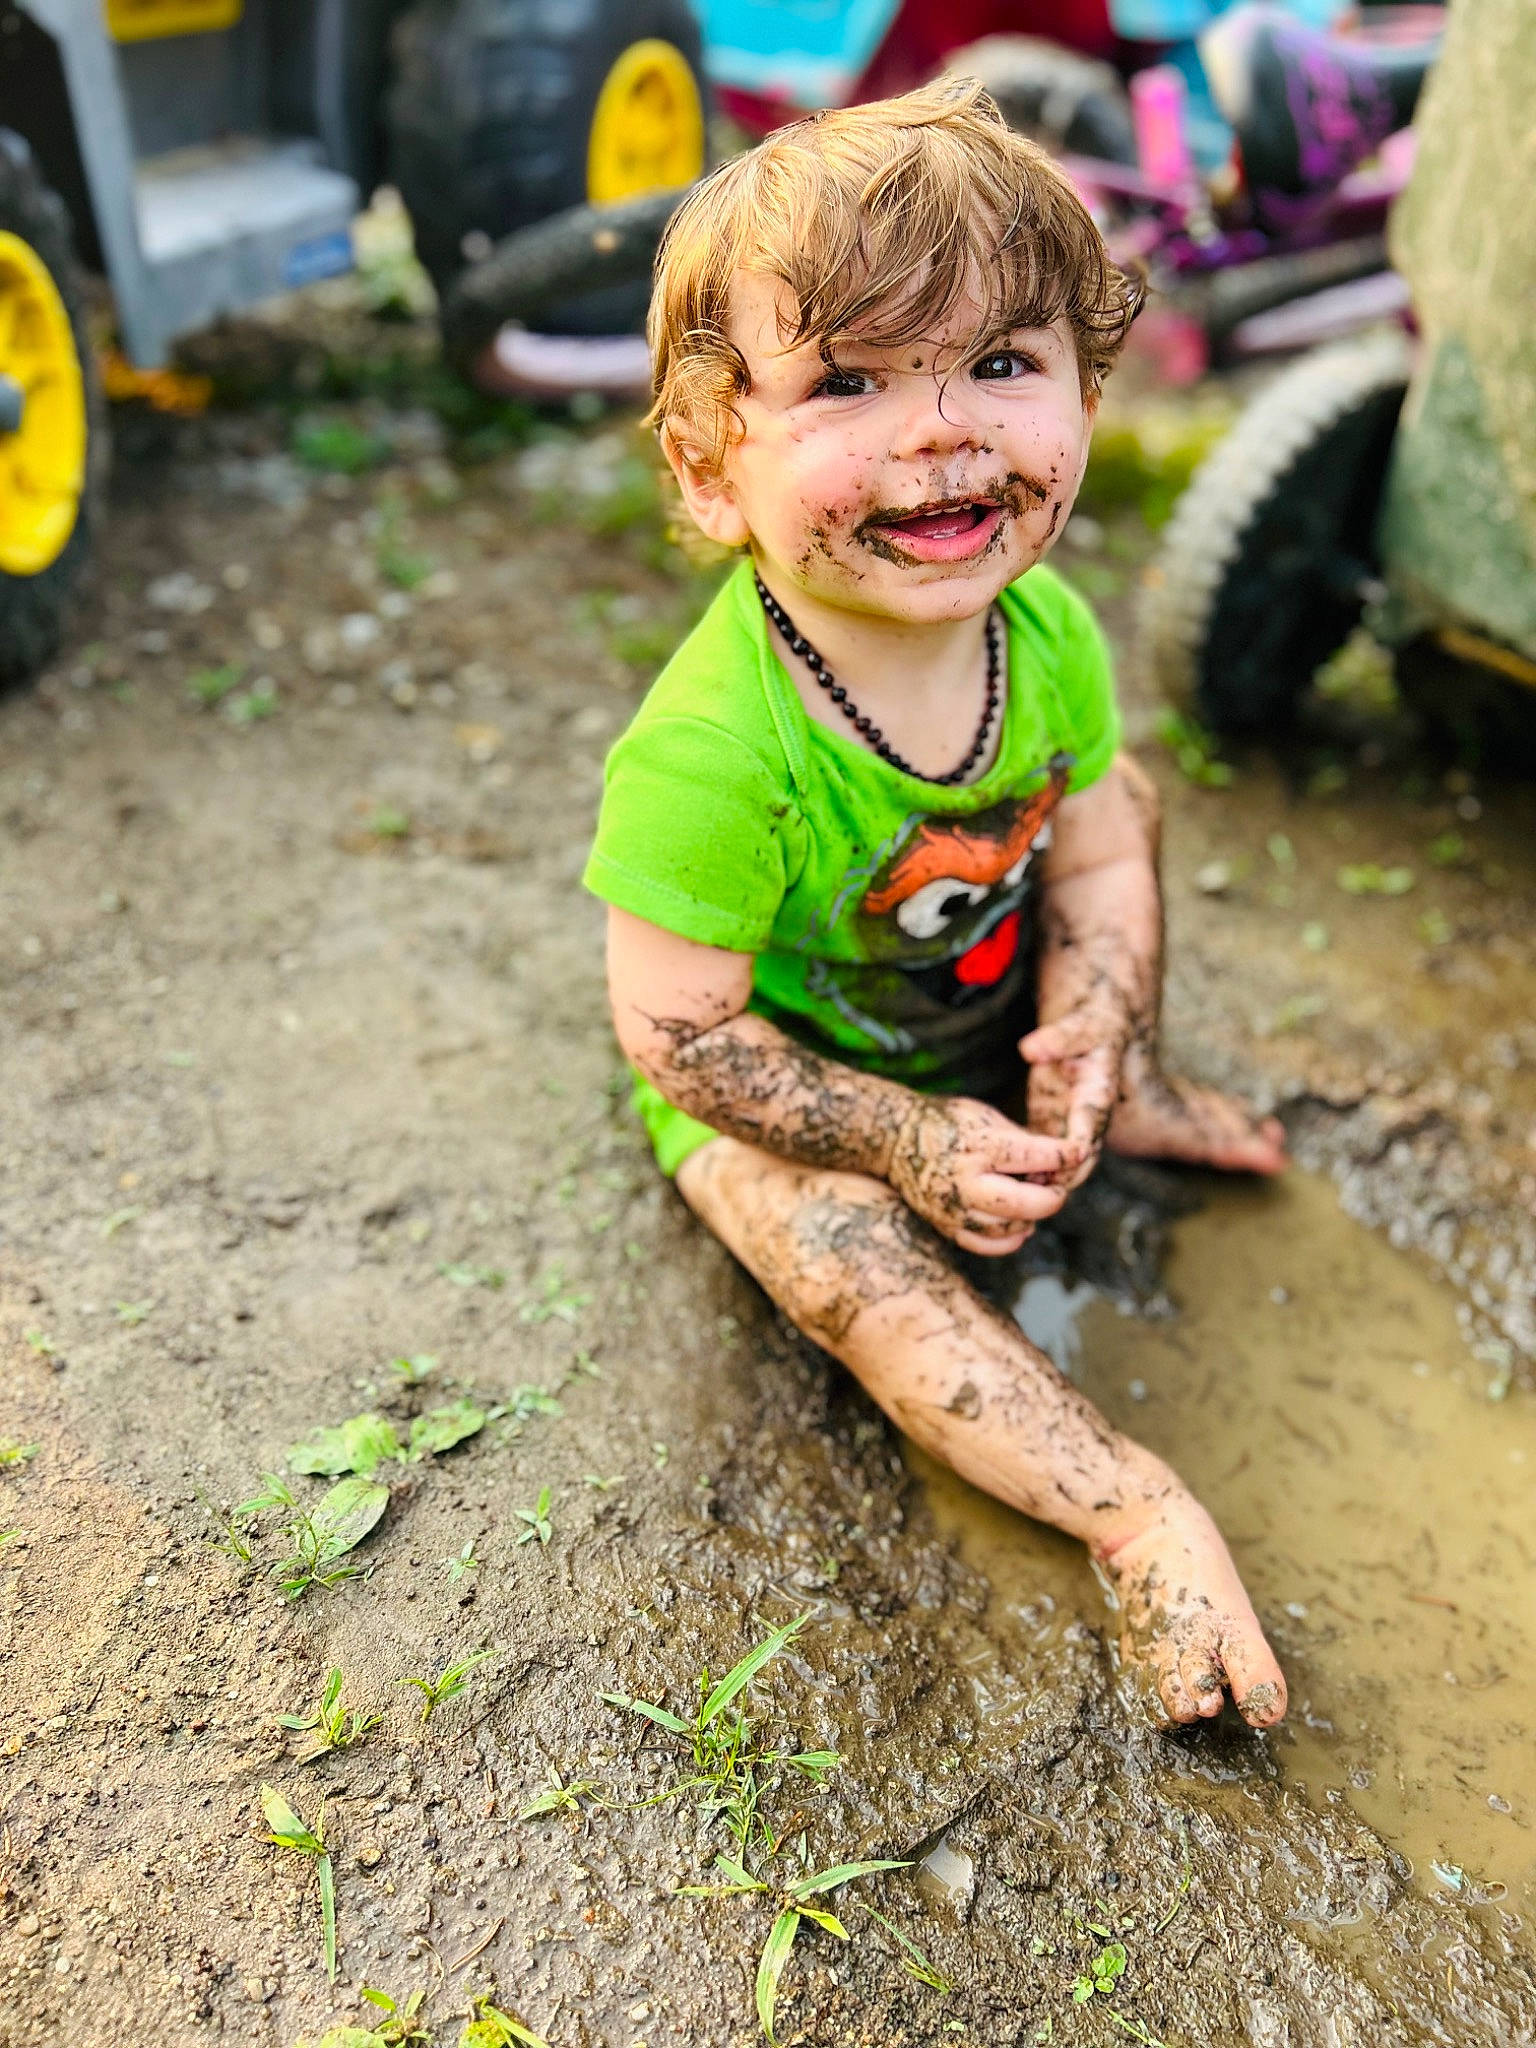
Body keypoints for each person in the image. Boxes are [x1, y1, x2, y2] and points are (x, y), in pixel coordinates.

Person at [584, 80, 1289, 1728]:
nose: (945, 430)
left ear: (1087, 394)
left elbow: (1099, 856)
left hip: (973, 1001)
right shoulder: (711, 753)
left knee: (1130, 806)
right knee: (847, 1264)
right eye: (846, 383)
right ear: (707, 469)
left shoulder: (1044, 639)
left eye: (1000, 363)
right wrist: (899, 1144)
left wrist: (1102, 1012)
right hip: (787, 1088)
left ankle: (1138, 1077)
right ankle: (1129, 1510)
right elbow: (679, 1033)